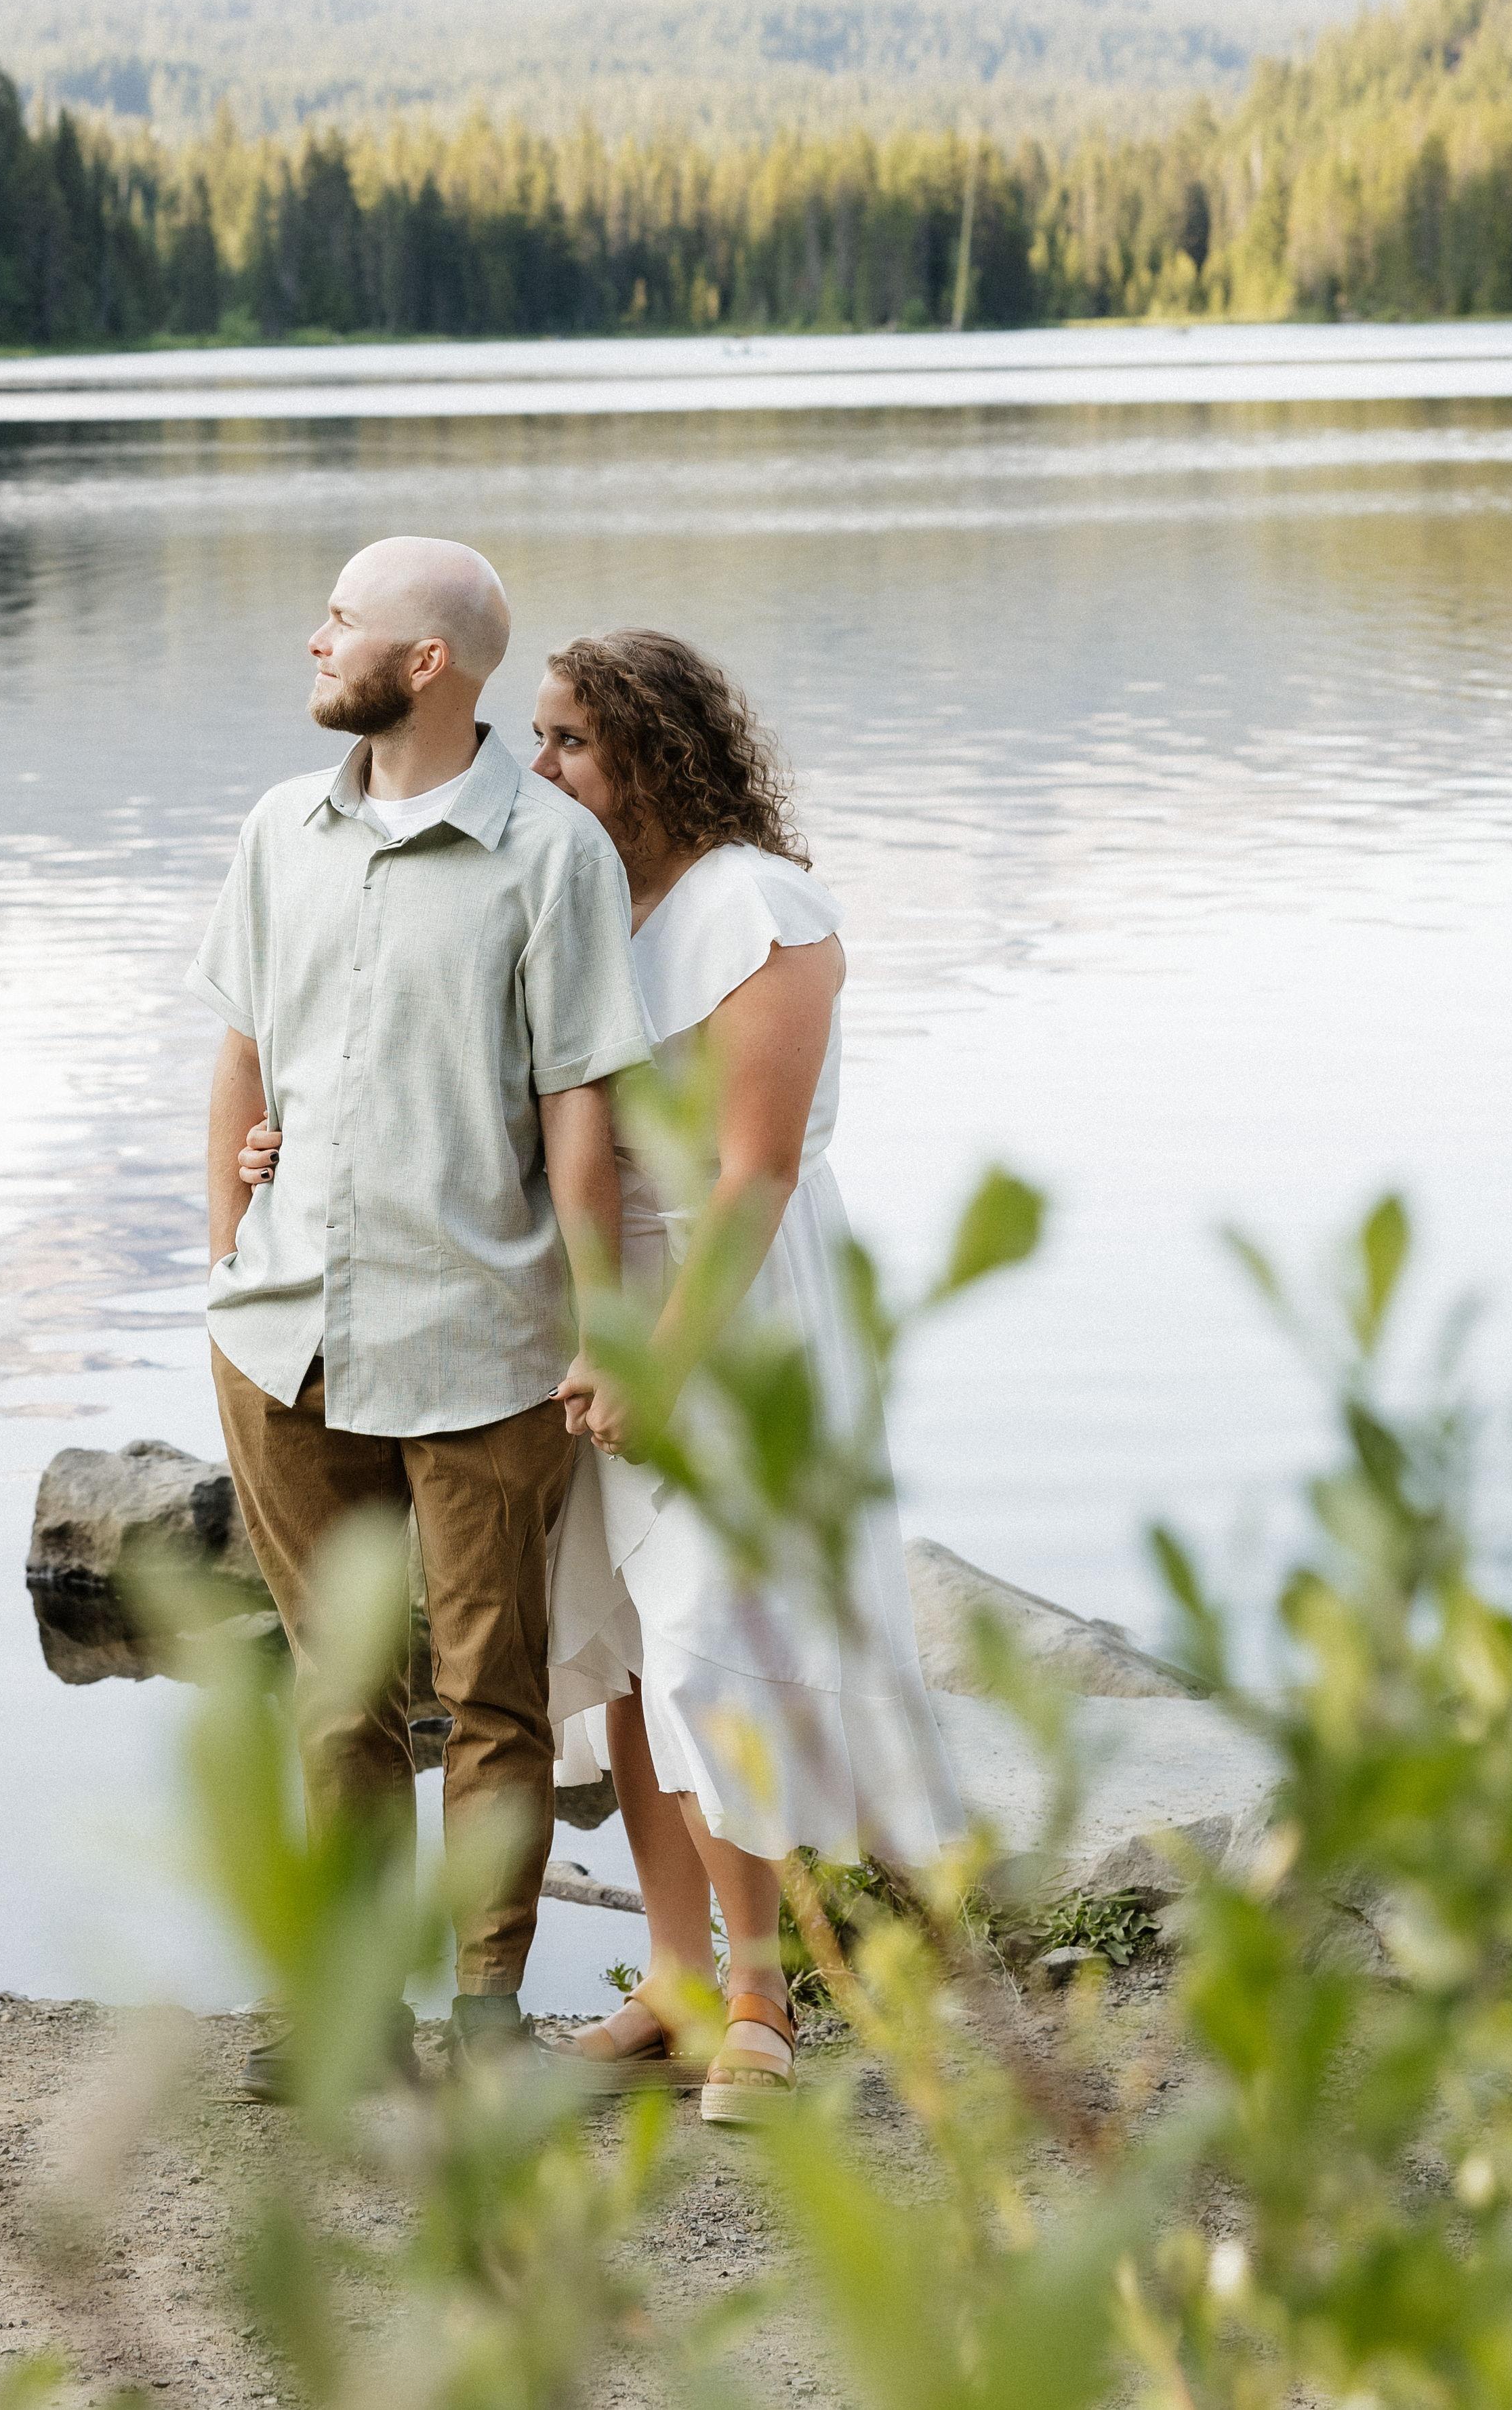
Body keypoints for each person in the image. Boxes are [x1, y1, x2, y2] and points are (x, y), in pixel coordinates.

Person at [255, 629, 960, 2119]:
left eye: (571, 739)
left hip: (723, 1310)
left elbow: (756, 1171)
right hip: (579, 1308)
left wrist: (663, 1360)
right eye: (541, 735)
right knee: (625, 1657)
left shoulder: (757, 910)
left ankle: (761, 1997)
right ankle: (675, 1982)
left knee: (708, 1642)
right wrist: (284, 1145)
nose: (543, 763)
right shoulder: (574, 893)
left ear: (654, 751)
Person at [191, 535, 649, 2083]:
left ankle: (488, 2020)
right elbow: (240, 1056)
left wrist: (601, 1332)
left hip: (482, 1343)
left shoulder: (553, 857)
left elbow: (578, 1107)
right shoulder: (278, 829)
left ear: (428, 661)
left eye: (342, 620)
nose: (315, 641)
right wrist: (227, 1255)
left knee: (492, 1701)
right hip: (285, 1342)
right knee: (337, 1700)